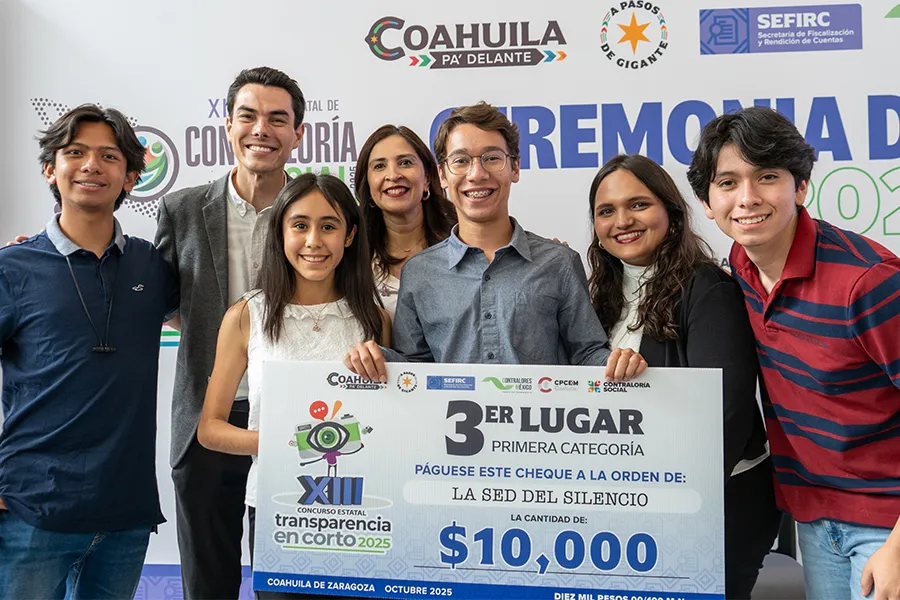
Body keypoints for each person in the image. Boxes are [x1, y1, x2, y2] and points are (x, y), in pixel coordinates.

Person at [688, 106, 900, 600]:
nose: (747, 199)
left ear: (800, 187)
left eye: (767, 177)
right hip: (813, 517)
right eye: (727, 183)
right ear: (706, 200)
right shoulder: (738, 267)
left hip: (886, 520)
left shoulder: (868, 283)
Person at [0, 105, 178, 598]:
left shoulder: (152, 265)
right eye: (75, 153)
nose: (91, 166)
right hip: (32, 511)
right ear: (49, 170)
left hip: (126, 512)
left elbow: (221, 325)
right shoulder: (13, 267)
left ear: (131, 177)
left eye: (108, 155)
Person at [588, 154, 779, 598]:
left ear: (671, 216)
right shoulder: (596, 297)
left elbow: (726, 412)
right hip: (634, 502)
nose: (622, 221)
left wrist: (667, 496)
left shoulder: (706, 287)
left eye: (638, 204)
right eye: (606, 210)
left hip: (719, 502)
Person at [345, 101, 646, 381]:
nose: (477, 174)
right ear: (443, 175)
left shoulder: (558, 262)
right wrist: (377, 358)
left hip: (539, 434)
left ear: (514, 168)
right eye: (461, 161)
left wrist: (617, 362)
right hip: (449, 435)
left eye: (492, 158)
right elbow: (416, 368)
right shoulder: (420, 272)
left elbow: (586, 353)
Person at [197, 173, 389, 599]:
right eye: (299, 225)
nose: (313, 241)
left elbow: (391, 423)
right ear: (280, 232)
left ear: (351, 235)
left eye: (329, 225)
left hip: (362, 510)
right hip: (279, 508)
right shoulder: (247, 315)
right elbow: (210, 429)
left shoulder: (374, 319)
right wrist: (284, 444)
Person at [154, 66, 306, 599]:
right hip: (208, 416)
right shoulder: (182, 208)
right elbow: (156, 298)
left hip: (297, 419)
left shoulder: (318, 209)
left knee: (289, 583)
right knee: (207, 584)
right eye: (248, 115)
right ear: (228, 125)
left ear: (297, 134)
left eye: (277, 119)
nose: (261, 129)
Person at [355, 125, 456, 315]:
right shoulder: (353, 258)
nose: (393, 175)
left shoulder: (460, 245)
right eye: (379, 166)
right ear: (367, 185)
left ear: (427, 177)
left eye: (405, 163)